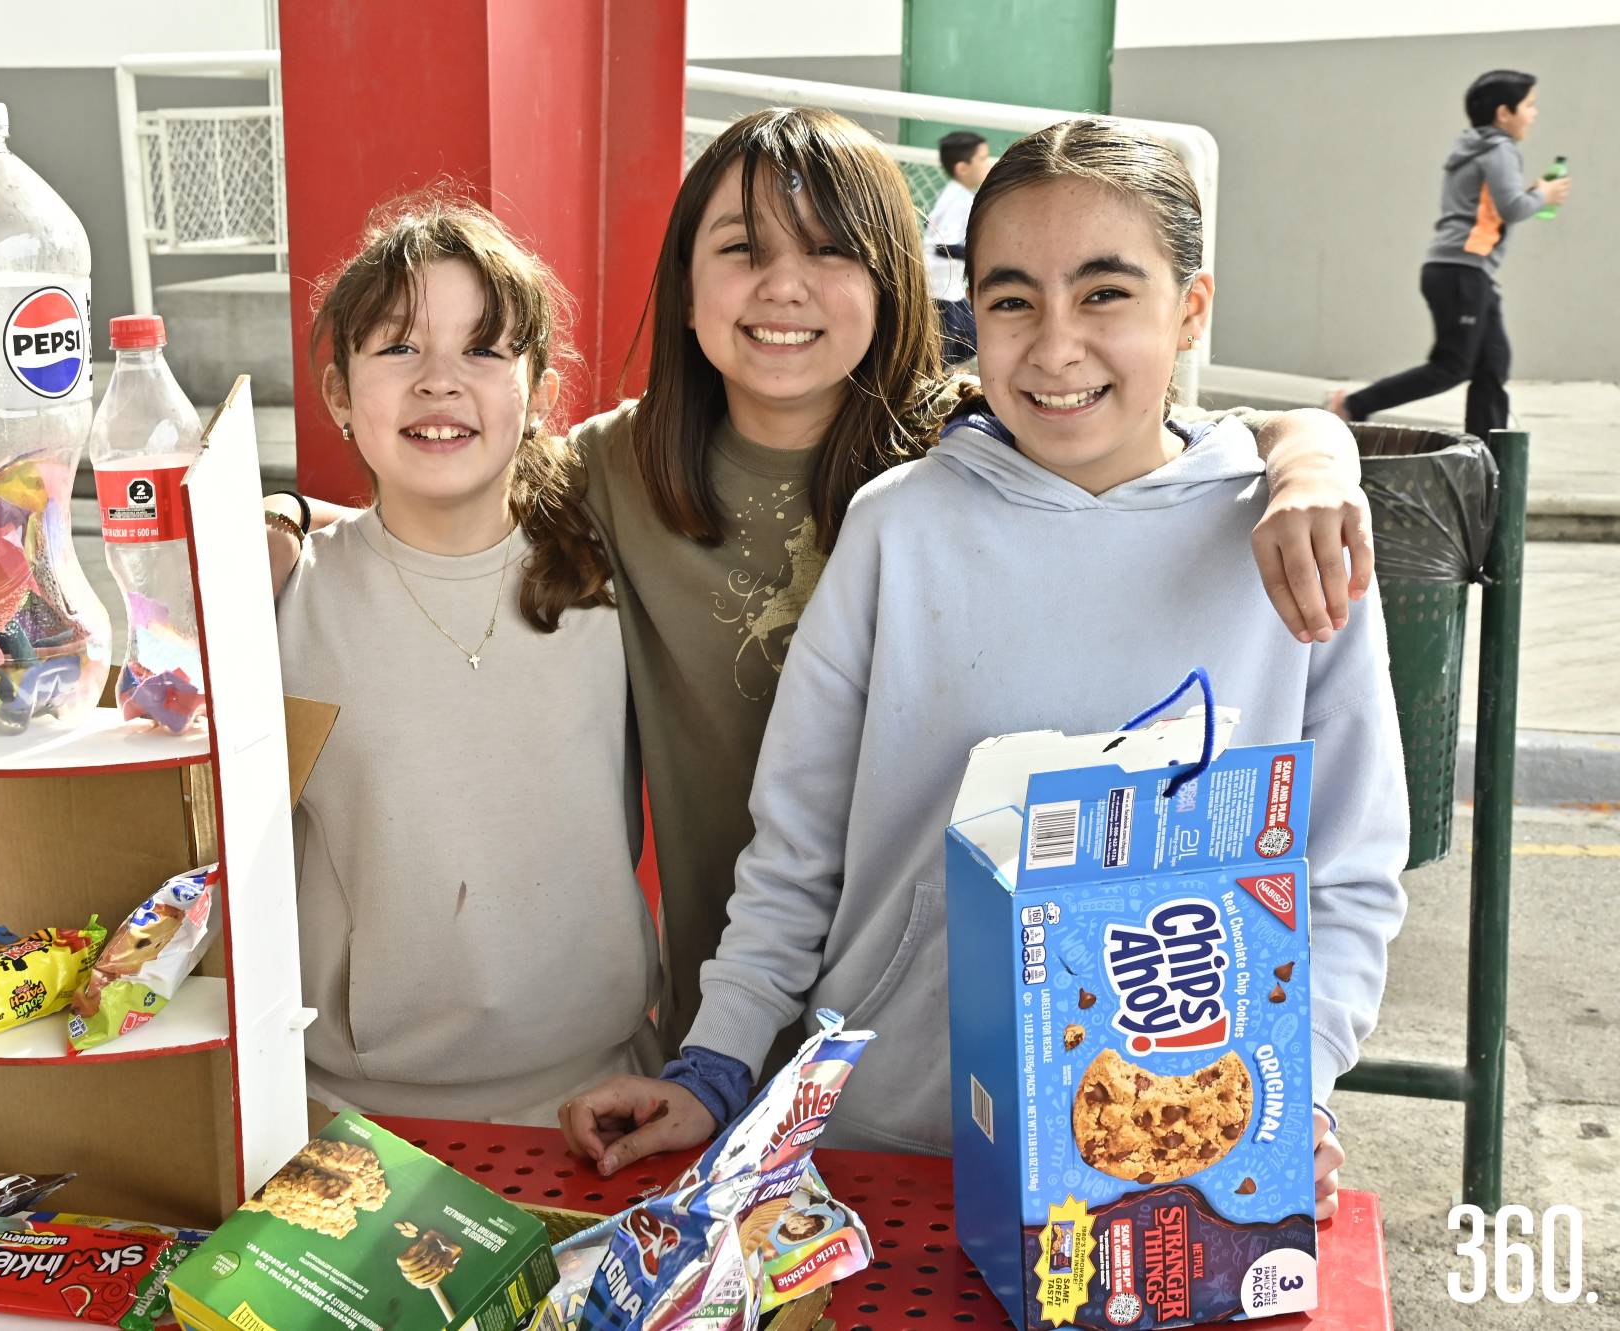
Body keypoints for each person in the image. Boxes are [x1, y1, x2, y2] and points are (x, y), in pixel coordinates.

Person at [273, 109, 1372, 1075]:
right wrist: (284, 529)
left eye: (831, 253)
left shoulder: (970, 441)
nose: (783, 286)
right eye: (741, 249)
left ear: (892, 279)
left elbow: (1156, 442)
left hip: (963, 1038)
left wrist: (1311, 451)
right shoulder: (610, 472)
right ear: (687, 290)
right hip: (724, 1022)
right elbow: (450, 481)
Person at [561, 120, 1409, 1226]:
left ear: (1189, 307)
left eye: (1104, 294)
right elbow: (796, 854)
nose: (1054, 346)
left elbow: (1340, 876)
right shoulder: (896, 524)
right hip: (879, 1143)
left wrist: (1299, 1087)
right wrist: (714, 1064)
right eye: (1012, 301)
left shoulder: (1290, 540)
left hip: (1172, 1164)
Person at [272, 195, 659, 1125]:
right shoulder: (285, 596)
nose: (439, 381)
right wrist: (280, 517)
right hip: (351, 1118)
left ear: (540, 390)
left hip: (600, 1098)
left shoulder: (615, 578)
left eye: (483, 349)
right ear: (338, 393)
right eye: (400, 347)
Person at [1328, 70, 1571, 438]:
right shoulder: (1501, 149)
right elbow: (1513, 209)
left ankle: (1487, 461)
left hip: (1464, 271)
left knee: (1492, 366)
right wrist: (1545, 196)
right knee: (1453, 366)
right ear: (1504, 113)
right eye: (1529, 106)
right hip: (1462, 270)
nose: (1534, 114)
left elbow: (1490, 206)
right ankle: (1352, 405)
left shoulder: (1473, 147)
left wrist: (1532, 193)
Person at [923, 130, 991, 364]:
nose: (987, 164)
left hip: (949, 289)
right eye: (982, 159)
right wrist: (979, 257)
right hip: (939, 292)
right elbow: (943, 245)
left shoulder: (959, 195)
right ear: (962, 168)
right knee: (942, 353)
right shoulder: (958, 199)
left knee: (974, 340)